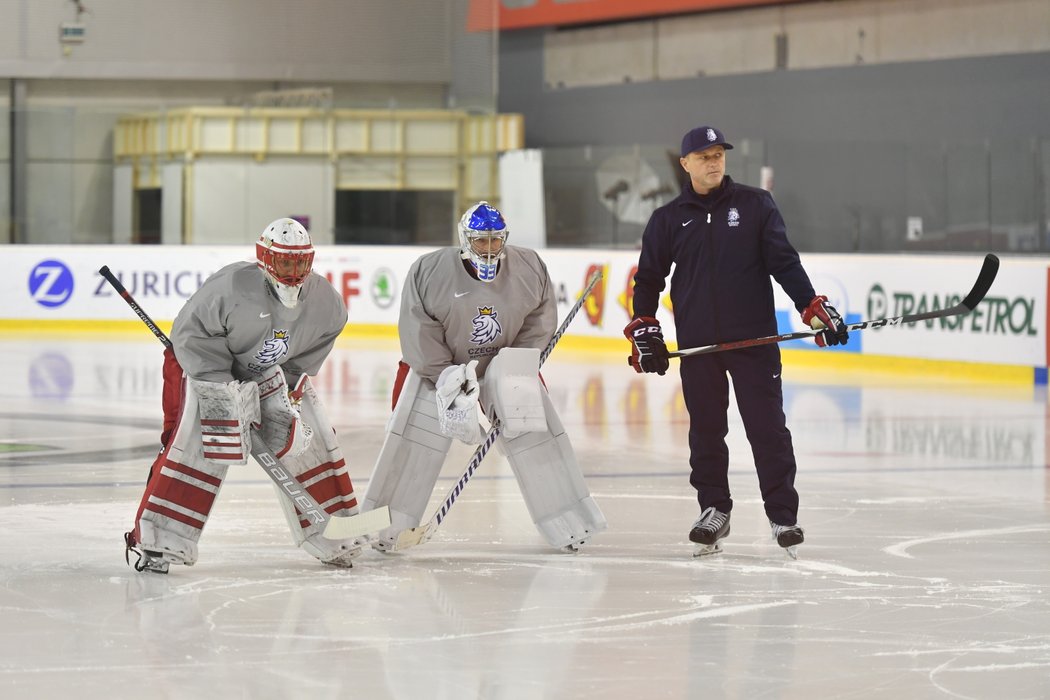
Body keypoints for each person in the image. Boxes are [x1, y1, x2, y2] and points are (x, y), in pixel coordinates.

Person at [625, 126, 849, 558]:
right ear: (685, 163)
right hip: (699, 348)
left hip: (754, 342)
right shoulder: (668, 219)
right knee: (706, 434)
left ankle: (783, 516)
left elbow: (784, 263)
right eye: (704, 156)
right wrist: (645, 325)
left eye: (719, 154)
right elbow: (649, 279)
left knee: (767, 431)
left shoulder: (755, 205)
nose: (714, 162)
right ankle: (714, 510)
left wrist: (812, 307)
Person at [123, 218, 367, 573]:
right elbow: (191, 337)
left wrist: (284, 392)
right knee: (192, 442)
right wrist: (223, 389)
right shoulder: (231, 286)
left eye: (300, 262)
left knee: (308, 435)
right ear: (264, 258)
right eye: (284, 261)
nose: (293, 271)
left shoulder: (327, 304)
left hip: (264, 373)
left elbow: (302, 359)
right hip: (198, 365)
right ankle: (159, 541)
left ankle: (338, 534)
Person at [362, 201, 607, 552]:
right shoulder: (429, 271)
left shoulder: (529, 266)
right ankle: (385, 528)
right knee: (415, 438)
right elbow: (417, 330)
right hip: (440, 367)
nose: (490, 249)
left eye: (496, 241)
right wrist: (446, 376)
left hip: (501, 362)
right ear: (466, 240)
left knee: (532, 429)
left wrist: (517, 363)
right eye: (481, 242)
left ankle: (570, 518)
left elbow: (540, 320)